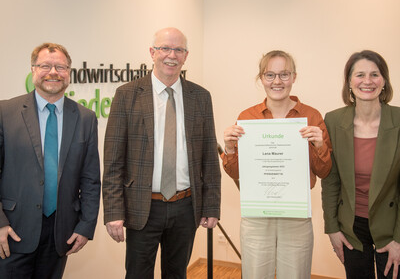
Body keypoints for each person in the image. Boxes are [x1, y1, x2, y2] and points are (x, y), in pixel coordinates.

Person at [102, 27, 221, 278]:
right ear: (152, 52)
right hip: (142, 207)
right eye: (165, 48)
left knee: (177, 274)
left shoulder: (200, 97)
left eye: (178, 49)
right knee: (137, 274)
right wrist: (113, 212)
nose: (171, 55)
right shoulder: (126, 95)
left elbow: (210, 157)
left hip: (186, 207)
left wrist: (211, 205)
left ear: (186, 55)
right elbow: (113, 161)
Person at [223, 50, 332, 279]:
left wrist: (320, 146)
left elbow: (324, 171)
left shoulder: (311, 117)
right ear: (261, 78)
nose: (277, 81)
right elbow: (235, 172)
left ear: (294, 77)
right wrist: (230, 148)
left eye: (284, 74)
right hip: (256, 215)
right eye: (270, 75)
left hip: (296, 214)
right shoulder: (247, 117)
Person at [0, 43, 101, 278]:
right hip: (12, 229)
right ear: (33, 69)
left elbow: (91, 179)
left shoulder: (85, 118)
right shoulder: (5, 112)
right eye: (45, 66)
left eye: (60, 67)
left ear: (69, 72)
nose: (53, 72)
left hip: (60, 232)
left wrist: (86, 225)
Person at [322, 50, 400, 279]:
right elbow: (330, 180)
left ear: (384, 81)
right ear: (348, 82)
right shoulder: (333, 120)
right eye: (360, 75)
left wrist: (399, 239)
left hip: (392, 227)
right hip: (351, 227)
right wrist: (332, 229)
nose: (367, 81)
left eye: (375, 74)